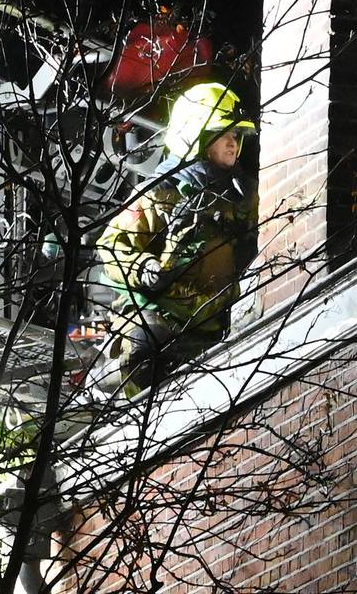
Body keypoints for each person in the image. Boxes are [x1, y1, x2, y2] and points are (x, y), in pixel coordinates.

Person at [95, 82, 258, 395]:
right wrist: (144, 268)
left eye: (236, 136)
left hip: (217, 319)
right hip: (162, 322)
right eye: (224, 134)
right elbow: (112, 246)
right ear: (196, 136)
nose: (233, 143)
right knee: (143, 354)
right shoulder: (160, 194)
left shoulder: (244, 197)